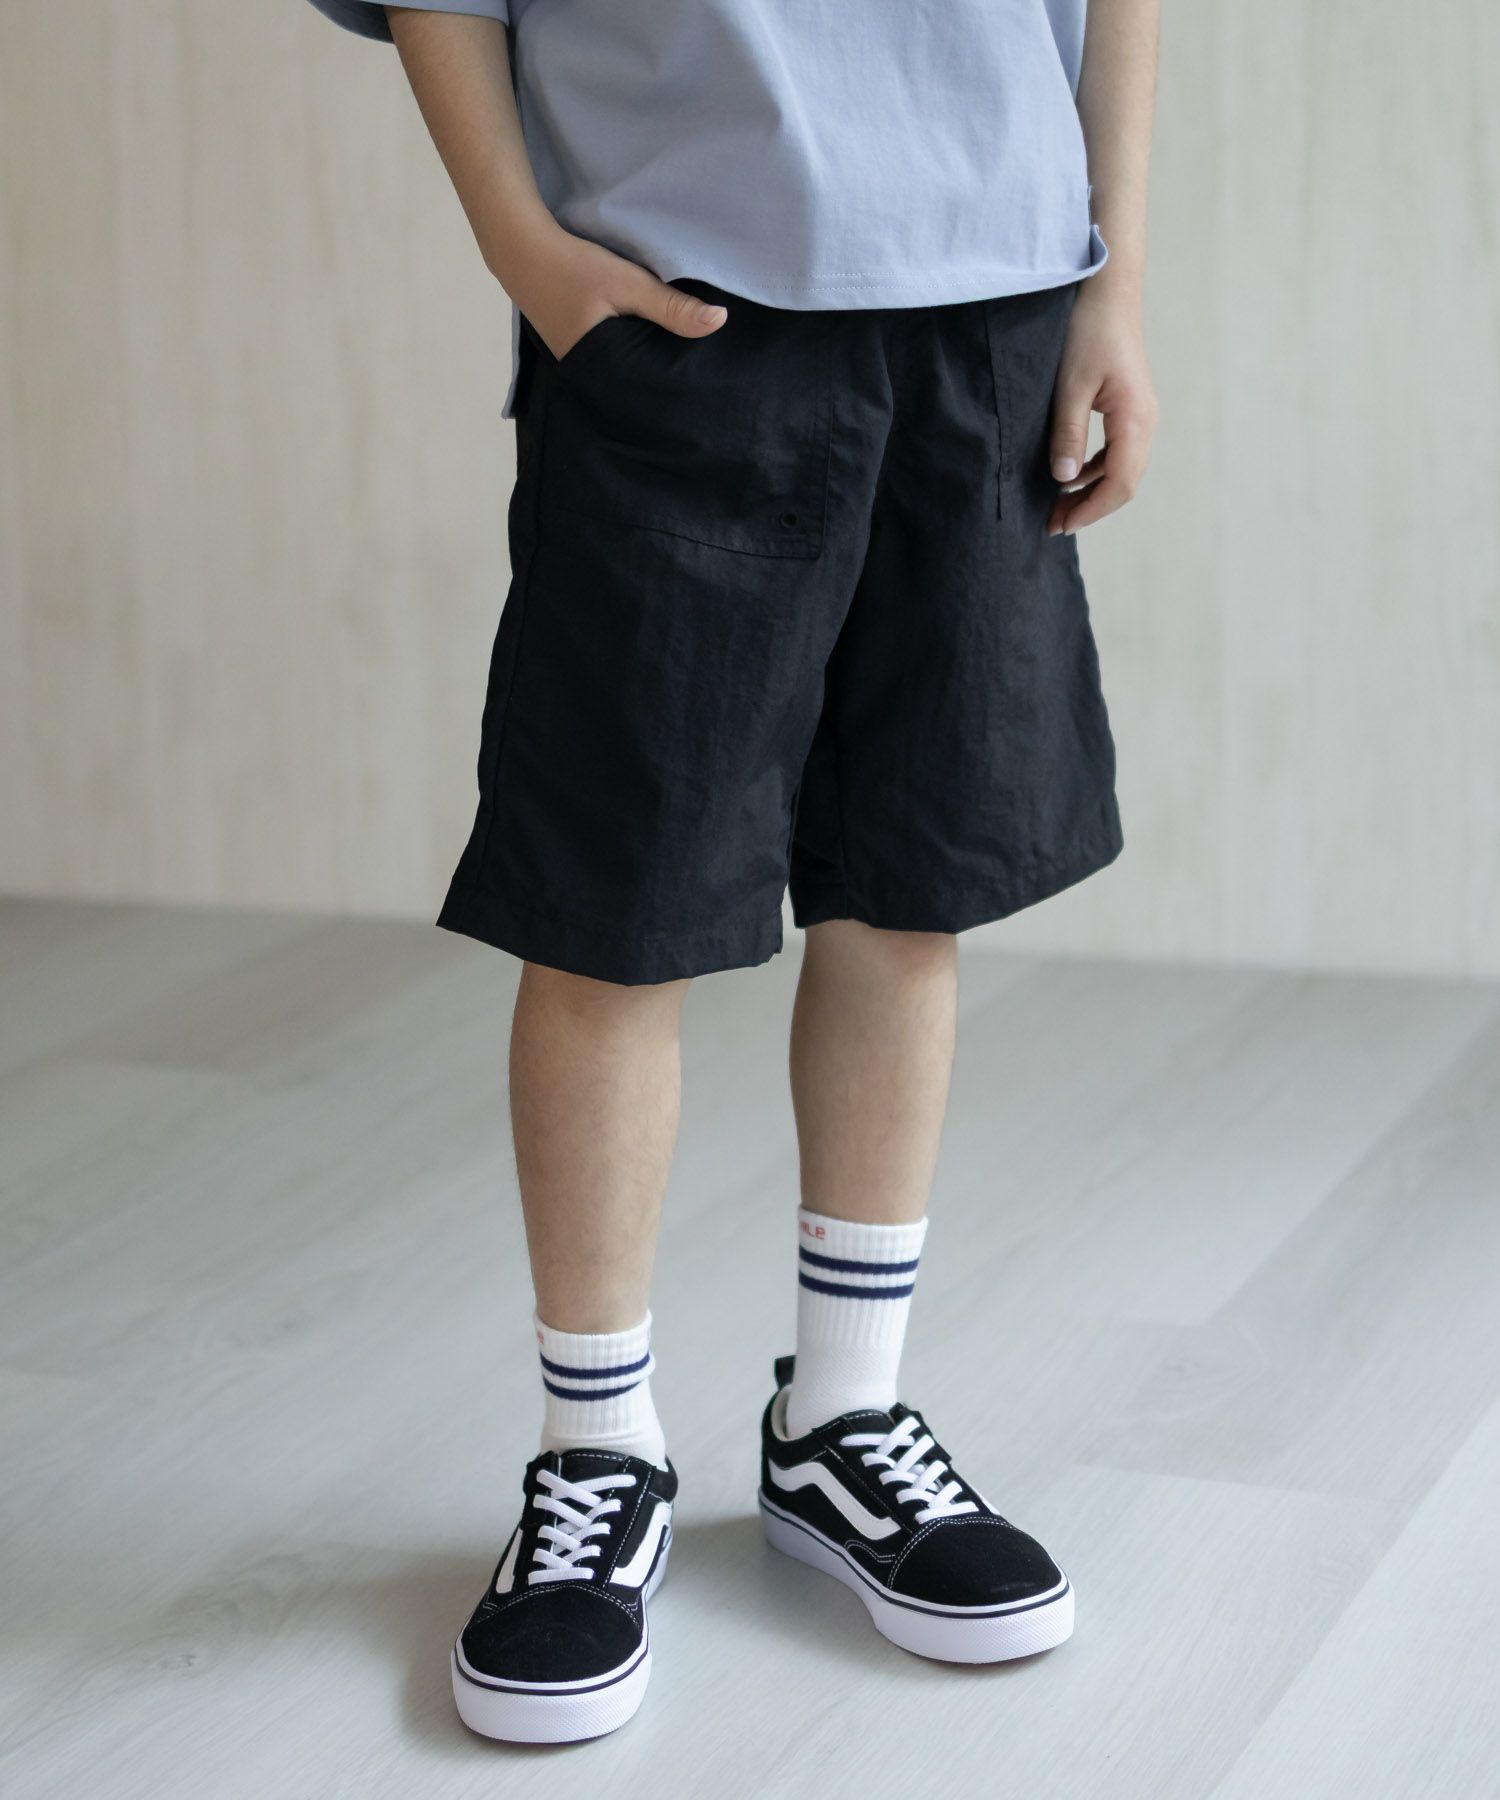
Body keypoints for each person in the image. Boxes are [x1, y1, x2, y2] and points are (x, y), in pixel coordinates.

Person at [303, 0, 1158, 1745]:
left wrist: (1110, 275)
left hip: (993, 296)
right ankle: (594, 1450)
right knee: (614, 913)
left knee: (906, 891)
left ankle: (843, 1418)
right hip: (684, 309)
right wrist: (522, 245)